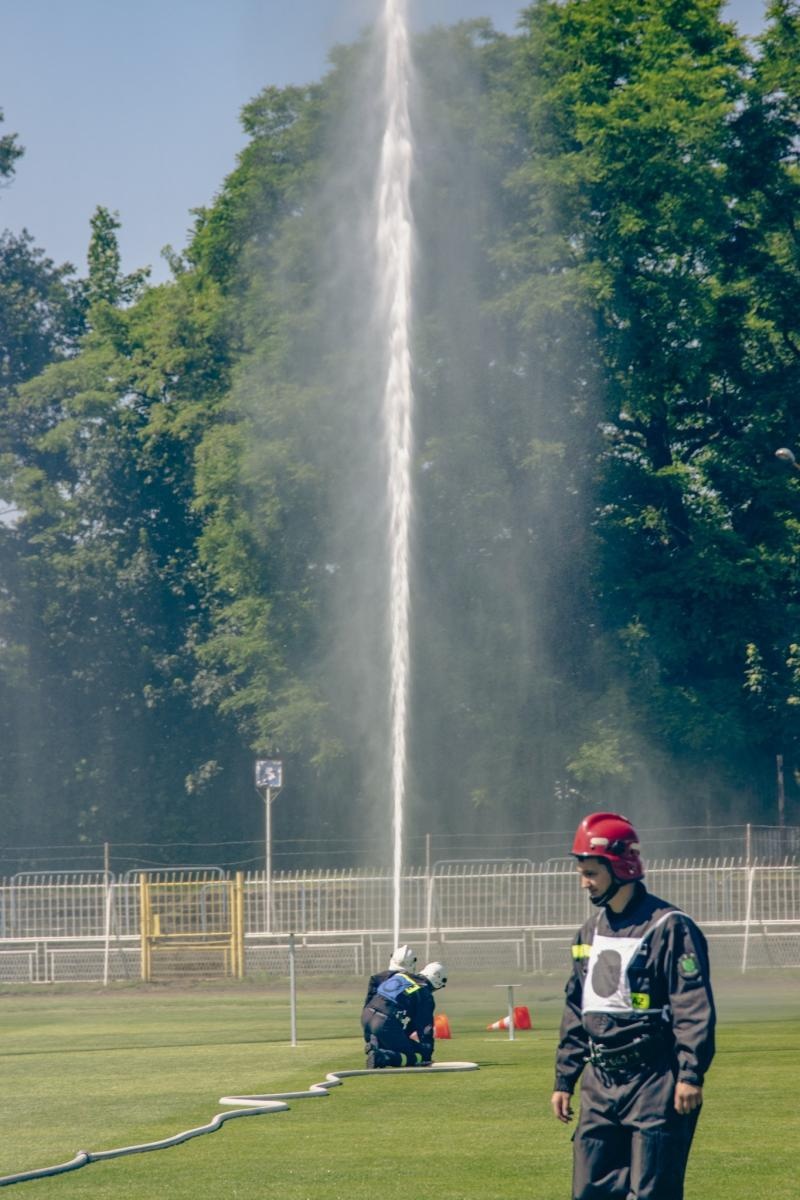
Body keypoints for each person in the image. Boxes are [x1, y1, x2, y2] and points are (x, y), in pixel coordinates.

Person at [551, 812, 715, 1200]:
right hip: (600, 1082)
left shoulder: (670, 927)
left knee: (652, 1192)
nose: (584, 883)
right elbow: (577, 1009)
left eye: (591, 873)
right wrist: (564, 1079)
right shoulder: (588, 932)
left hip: (654, 1080)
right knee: (590, 1190)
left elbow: (692, 1006)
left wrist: (690, 1074)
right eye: (582, 873)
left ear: (620, 867)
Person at [362, 960, 447, 1068]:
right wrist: (427, 1054)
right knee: (417, 1055)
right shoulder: (424, 991)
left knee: (394, 1038)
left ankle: (375, 1044)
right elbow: (425, 1027)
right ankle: (382, 1057)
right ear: (438, 980)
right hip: (385, 1023)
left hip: (366, 1015)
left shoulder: (401, 975)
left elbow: (375, 980)